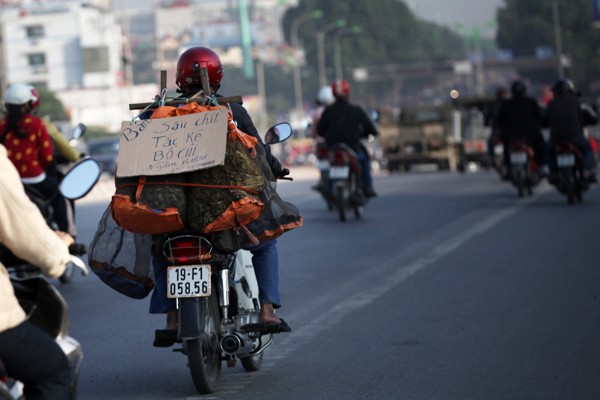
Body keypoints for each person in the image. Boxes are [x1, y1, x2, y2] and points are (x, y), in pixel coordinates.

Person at [151, 47, 291, 347]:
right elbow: (259, 150)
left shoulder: (158, 113)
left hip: (177, 214)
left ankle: (172, 318)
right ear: (217, 76)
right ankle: (267, 311)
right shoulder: (231, 111)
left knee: (160, 248)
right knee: (265, 244)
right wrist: (276, 167)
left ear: (179, 77)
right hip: (225, 212)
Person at [0, 142, 74, 399]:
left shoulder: (8, 126)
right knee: (52, 371)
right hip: (35, 179)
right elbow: (24, 231)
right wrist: (58, 254)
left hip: (24, 178)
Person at [0, 83, 70, 233]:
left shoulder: (1, 126)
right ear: (28, 105)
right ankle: (66, 236)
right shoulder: (36, 124)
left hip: (9, 181)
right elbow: (47, 156)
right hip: (34, 178)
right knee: (59, 197)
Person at [317, 78, 379, 197]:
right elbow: (370, 128)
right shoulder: (356, 110)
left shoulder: (328, 111)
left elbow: (320, 131)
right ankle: (368, 187)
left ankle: (329, 190)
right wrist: (367, 134)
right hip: (353, 146)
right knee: (364, 160)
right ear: (348, 92)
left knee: (330, 164)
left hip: (333, 147)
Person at [542, 78, 598, 182]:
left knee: (548, 151)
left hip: (556, 138)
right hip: (575, 135)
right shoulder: (577, 102)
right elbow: (592, 118)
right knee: (587, 149)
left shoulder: (551, 104)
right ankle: (586, 171)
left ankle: (553, 172)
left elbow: (543, 121)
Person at [497, 79, 547, 177]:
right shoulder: (531, 102)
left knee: (506, 147)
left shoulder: (506, 104)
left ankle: (508, 166)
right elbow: (539, 116)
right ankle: (541, 165)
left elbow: (500, 120)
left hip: (512, 136)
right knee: (540, 146)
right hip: (529, 135)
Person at [483, 86, 508, 169]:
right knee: (491, 143)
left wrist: (486, 123)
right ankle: (492, 159)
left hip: (503, 130)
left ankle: (492, 159)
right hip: (502, 130)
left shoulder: (498, 104)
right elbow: (488, 117)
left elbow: (487, 117)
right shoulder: (506, 104)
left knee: (491, 144)